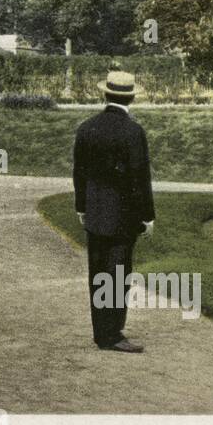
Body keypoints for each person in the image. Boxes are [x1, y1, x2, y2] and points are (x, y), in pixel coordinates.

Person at [71, 70, 156, 354]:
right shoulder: (133, 132)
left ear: (105, 95)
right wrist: (147, 216)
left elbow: (79, 174)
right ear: (131, 97)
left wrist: (82, 207)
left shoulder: (87, 128)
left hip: (95, 213)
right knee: (118, 274)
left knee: (98, 272)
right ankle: (113, 332)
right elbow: (140, 177)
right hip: (123, 216)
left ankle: (101, 332)